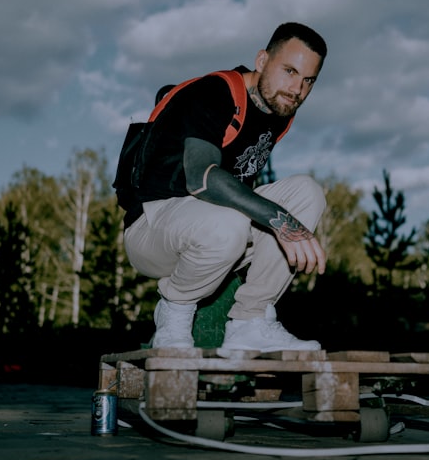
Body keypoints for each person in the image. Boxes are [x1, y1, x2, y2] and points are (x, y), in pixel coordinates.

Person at [121, 22, 328, 352]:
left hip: (215, 233)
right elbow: (201, 177)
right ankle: (173, 312)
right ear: (262, 61)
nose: (297, 89)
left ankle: (250, 321)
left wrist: (281, 222)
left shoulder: (278, 110)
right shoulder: (215, 92)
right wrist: (282, 222)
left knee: (307, 193)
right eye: (289, 71)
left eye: (308, 80)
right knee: (237, 223)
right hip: (152, 227)